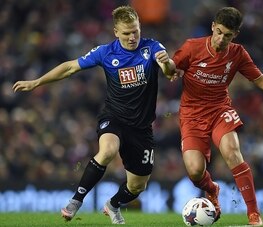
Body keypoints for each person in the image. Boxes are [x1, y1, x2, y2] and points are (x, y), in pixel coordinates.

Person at [13, 5, 177, 224]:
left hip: (142, 127)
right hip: (114, 117)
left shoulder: (152, 47)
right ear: (116, 32)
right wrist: (37, 81)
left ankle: (113, 205)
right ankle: (76, 201)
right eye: (126, 33)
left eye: (135, 31)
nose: (132, 37)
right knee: (108, 150)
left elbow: (170, 72)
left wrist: (166, 62)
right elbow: (70, 67)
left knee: (138, 185)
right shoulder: (105, 52)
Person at [172, 7, 263, 225]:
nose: (222, 39)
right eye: (220, 32)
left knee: (233, 152)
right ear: (213, 27)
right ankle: (212, 189)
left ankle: (254, 214)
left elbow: (259, 79)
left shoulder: (238, 53)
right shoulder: (192, 47)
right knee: (196, 172)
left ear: (235, 35)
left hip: (219, 110)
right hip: (191, 115)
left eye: (228, 35)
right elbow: (171, 68)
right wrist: (173, 71)